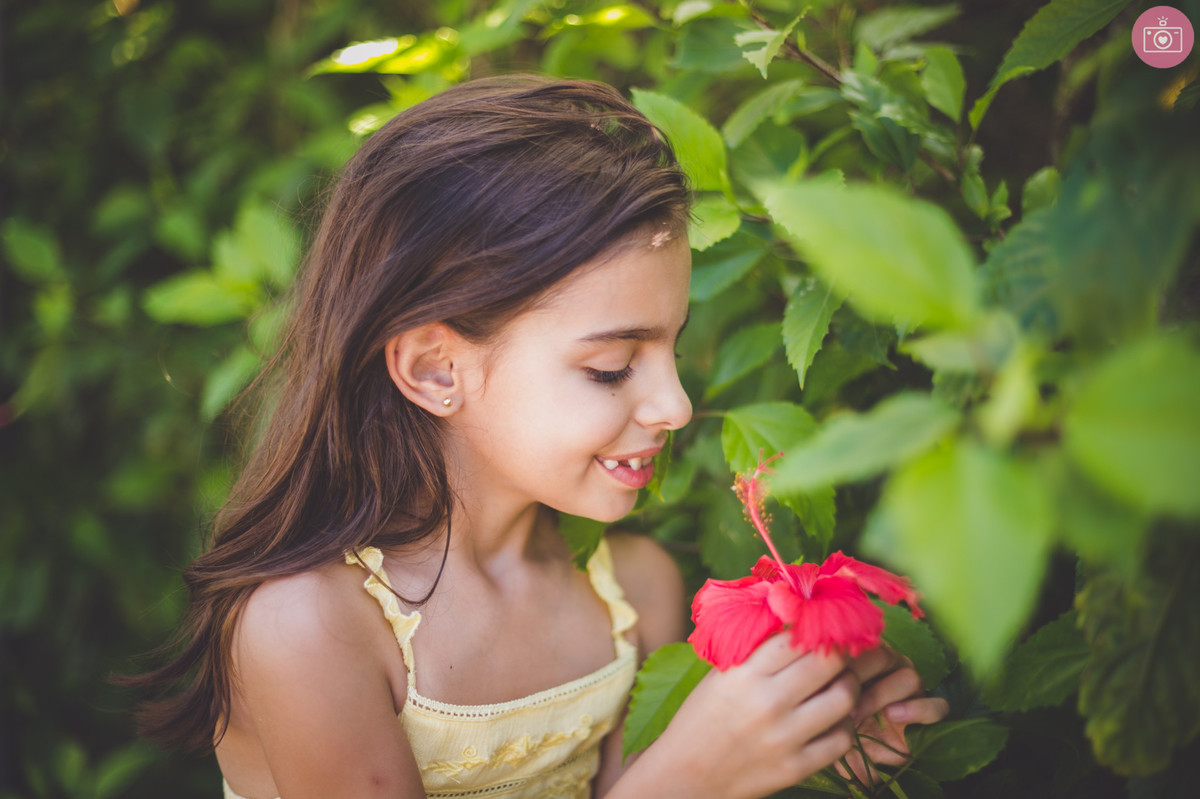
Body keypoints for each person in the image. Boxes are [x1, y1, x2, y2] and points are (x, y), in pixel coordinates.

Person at [126, 75, 947, 799]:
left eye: (673, 347)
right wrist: (691, 777)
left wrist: (806, 748)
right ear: (435, 369)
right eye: (613, 366)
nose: (676, 404)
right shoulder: (311, 629)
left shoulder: (637, 593)